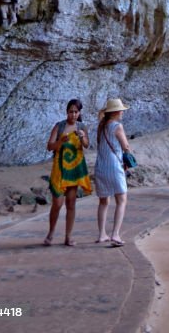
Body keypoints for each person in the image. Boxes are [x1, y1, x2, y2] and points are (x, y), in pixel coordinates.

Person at [44, 98, 91, 246]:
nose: (73, 115)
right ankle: (51, 233)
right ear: (66, 112)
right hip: (60, 168)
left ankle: (68, 236)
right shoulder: (59, 126)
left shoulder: (82, 127)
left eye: (76, 112)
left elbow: (87, 145)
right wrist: (60, 142)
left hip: (75, 169)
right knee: (57, 203)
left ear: (79, 113)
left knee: (71, 203)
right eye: (71, 112)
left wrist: (82, 137)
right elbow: (50, 146)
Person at [94, 97, 132, 246]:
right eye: (121, 110)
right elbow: (125, 146)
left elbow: (99, 144)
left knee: (103, 201)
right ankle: (115, 234)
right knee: (121, 200)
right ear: (116, 112)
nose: (122, 112)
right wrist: (128, 158)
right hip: (114, 166)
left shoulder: (101, 126)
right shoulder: (117, 126)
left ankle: (102, 234)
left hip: (101, 166)